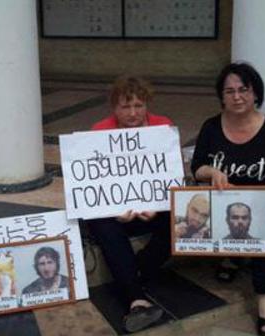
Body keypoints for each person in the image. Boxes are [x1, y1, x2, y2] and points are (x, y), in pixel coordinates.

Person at [190, 62, 265, 336]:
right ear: (222, 96)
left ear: (255, 93)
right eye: (230, 91)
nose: (237, 96)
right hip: (224, 201)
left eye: (243, 90)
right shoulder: (211, 127)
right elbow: (197, 167)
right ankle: (234, 256)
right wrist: (212, 171)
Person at [84, 75, 172, 333]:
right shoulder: (100, 131)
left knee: (182, 219)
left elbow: (168, 177)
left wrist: (157, 204)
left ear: (147, 105)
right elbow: (93, 182)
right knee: (100, 222)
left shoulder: (162, 126)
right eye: (125, 106)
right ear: (114, 107)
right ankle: (136, 299)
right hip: (116, 213)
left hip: (151, 209)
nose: (133, 113)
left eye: (139, 105)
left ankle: (135, 272)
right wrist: (113, 209)